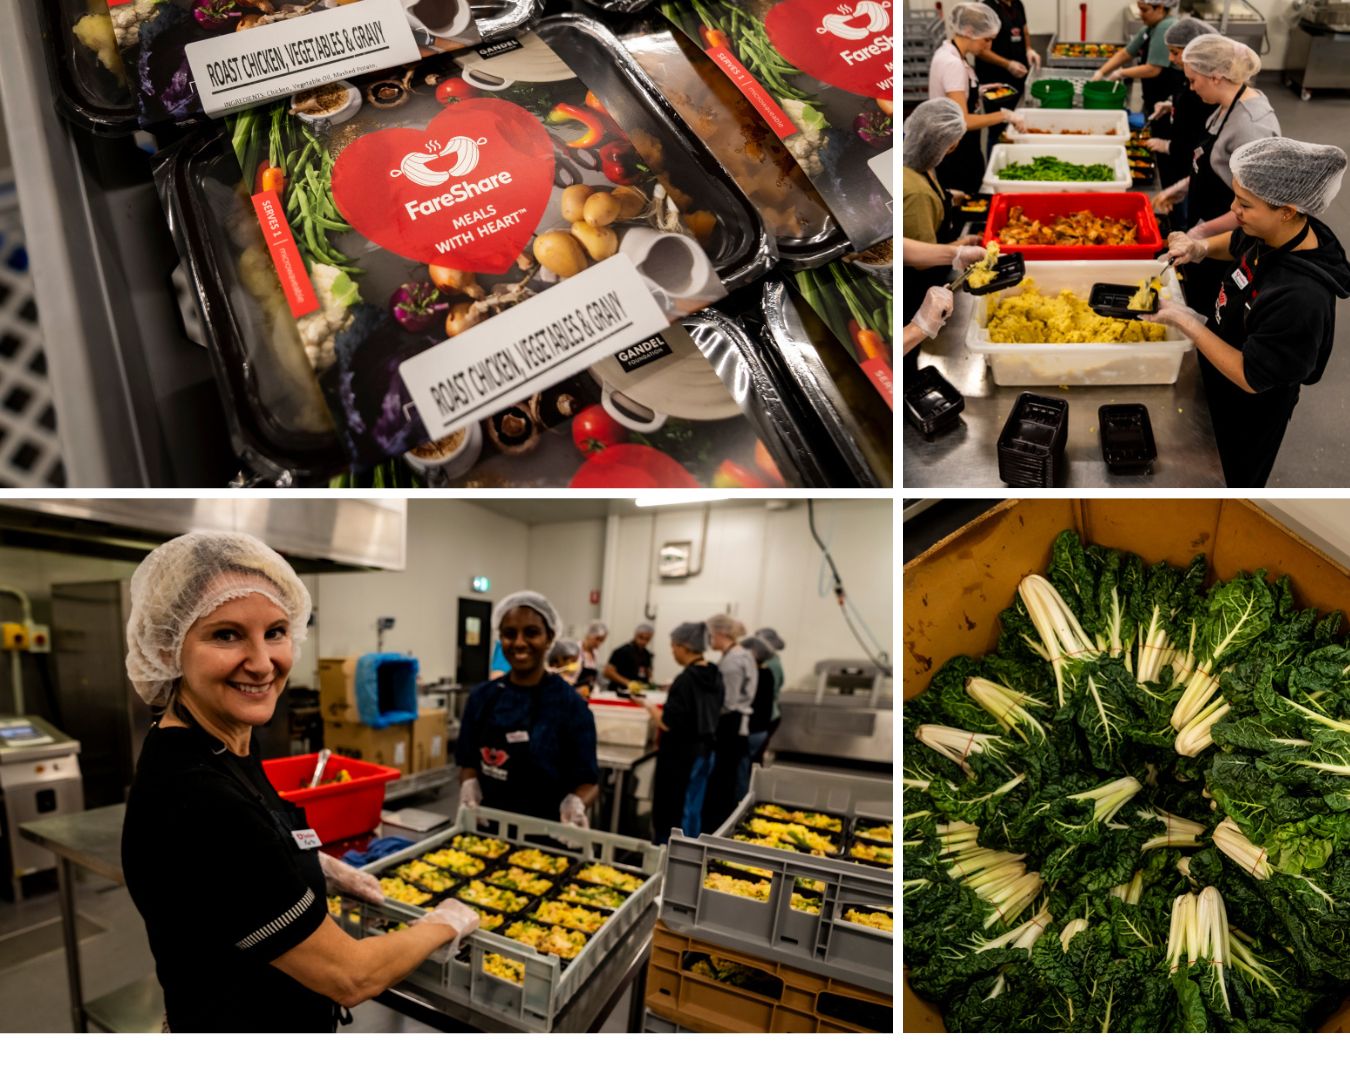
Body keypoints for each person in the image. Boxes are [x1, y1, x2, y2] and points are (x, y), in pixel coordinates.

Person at [121, 532, 480, 1033]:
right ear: (168, 646)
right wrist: (444, 923)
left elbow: (235, 866)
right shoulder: (197, 797)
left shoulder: (208, 738)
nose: (263, 662)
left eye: (276, 631)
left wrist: (312, 864)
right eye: (226, 634)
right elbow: (350, 975)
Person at [1146, 138, 1350, 487]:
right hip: (1217, 370)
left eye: (1245, 204)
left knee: (1226, 476)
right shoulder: (1274, 231)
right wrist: (1199, 247)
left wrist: (1183, 319)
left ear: (1286, 210)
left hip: (1247, 412)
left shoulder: (1301, 299)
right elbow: (1237, 240)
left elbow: (1249, 376)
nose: (1234, 209)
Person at [1153, 34, 1277, 316]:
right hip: (1208, 224)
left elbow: (1256, 207)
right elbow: (1216, 165)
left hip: (1229, 242)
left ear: (1216, 76)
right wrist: (1182, 187)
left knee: (1214, 309)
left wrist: (1201, 233)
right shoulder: (1224, 107)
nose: (1191, 88)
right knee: (1195, 294)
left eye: (1194, 80)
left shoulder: (1251, 127)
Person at [457, 591, 599, 826]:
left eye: (531, 633)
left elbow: (589, 781)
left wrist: (576, 804)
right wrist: (469, 785)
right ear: (500, 638)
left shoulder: (570, 705)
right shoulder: (482, 698)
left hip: (548, 838)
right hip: (488, 832)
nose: (520, 643)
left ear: (549, 637)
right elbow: (468, 762)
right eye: (510, 634)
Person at [901, 97, 990, 365]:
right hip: (914, 291)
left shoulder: (916, 166)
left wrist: (948, 197)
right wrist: (957, 250)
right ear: (948, 146)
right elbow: (917, 260)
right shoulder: (916, 193)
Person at [929, 4, 1026, 197]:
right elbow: (962, 120)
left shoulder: (950, 52)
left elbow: (954, 93)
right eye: (987, 39)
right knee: (965, 200)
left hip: (959, 145)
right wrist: (1004, 115)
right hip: (956, 151)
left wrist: (979, 90)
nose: (988, 46)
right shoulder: (953, 63)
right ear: (969, 31)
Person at [647, 622, 723, 844]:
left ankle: (668, 855)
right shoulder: (715, 673)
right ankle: (690, 852)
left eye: (673, 646)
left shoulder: (686, 680)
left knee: (673, 810)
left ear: (685, 647)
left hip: (681, 757)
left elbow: (669, 723)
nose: (672, 651)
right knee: (692, 807)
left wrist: (650, 708)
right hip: (706, 751)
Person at [1145, 16, 1217, 206]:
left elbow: (1199, 136)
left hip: (1190, 167)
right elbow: (1184, 98)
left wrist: (1168, 146)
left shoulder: (1206, 90)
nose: (1170, 58)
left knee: (1183, 209)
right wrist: (1171, 105)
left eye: (1175, 52)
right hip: (1180, 161)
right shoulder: (1190, 75)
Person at [701, 614, 757, 833]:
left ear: (720, 633)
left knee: (722, 786)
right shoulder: (741, 655)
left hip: (730, 726)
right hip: (736, 724)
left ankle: (716, 832)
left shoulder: (733, 662)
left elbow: (728, 702)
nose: (708, 640)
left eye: (710, 635)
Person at [1090, 1, 1179, 117]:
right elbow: (1126, 53)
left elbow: (1153, 69)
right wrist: (1101, 72)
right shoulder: (1152, 27)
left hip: (1166, 95)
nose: (1140, 14)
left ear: (1160, 8)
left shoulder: (1165, 27)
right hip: (1154, 95)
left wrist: (1121, 73)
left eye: (1144, 10)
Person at [972, 1, 1040, 146]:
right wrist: (1007, 64)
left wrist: (1029, 49)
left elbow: (1024, 30)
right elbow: (980, 51)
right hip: (995, 79)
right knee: (998, 130)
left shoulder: (1018, 4)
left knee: (1017, 122)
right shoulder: (986, 8)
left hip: (1019, 76)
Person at [740, 636, 777, 796]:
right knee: (749, 768)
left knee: (741, 771)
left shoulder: (755, 675)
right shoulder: (767, 672)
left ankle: (739, 803)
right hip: (762, 730)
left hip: (752, 730)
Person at [752, 627, 786, 765]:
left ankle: (752, 784)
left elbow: (766, 693)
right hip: (769, 714)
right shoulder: (773, 661)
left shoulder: (770, 665)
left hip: (767, 716)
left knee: (754, 757)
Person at [603, 623, 655, 692]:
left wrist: (651, 683)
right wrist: (628, 683)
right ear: (635, 635)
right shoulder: (622, 651)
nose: (643, 642)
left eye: (647, 639)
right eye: (641, 637)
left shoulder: (647, 654)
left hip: (638, 691)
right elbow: (607, 672)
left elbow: (648, 672)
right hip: (619, 691)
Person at [578, 620, 607, 687]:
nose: (599, 643)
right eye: (597, 639)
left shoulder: (595, 653)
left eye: (602, 641)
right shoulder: (576, 650)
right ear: (589, 634)